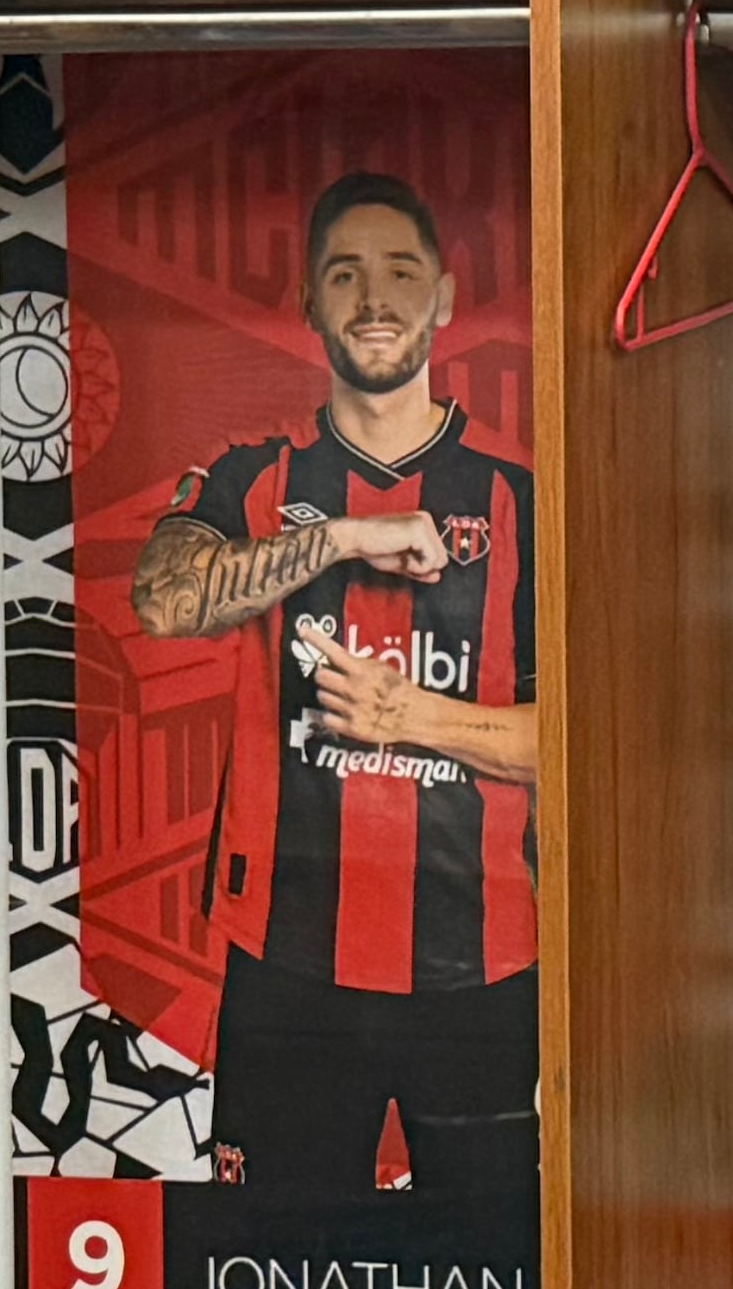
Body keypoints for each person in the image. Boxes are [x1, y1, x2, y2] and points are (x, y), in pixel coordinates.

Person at [131, 172, 537, 1209]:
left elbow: (596, 741)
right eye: (342, 274)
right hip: (285, 970)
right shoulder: (248, 479)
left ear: (444, 297)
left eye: (400, 272)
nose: (373, 297)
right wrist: (340, 538)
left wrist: (409, 716)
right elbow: (166, 602)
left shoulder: (524, 502)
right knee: (272, 1282)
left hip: (482, 973)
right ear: (307, 302)